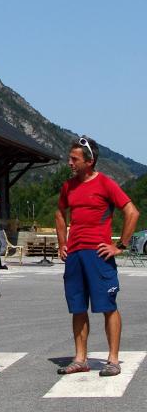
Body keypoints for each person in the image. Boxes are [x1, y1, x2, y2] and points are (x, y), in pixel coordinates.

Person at [55, 136, 139, 377]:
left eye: (74, 159)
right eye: (70, 158)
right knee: (77, 308)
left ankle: (113, 360)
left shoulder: (105, 183)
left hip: (98, 255)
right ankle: (80, 358)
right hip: (75, 256)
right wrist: (62, 243)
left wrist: (119, 246)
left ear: (89, 161)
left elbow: (131, 212)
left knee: (108, 306)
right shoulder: (68, 186)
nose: (69, 162)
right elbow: (60, 213)